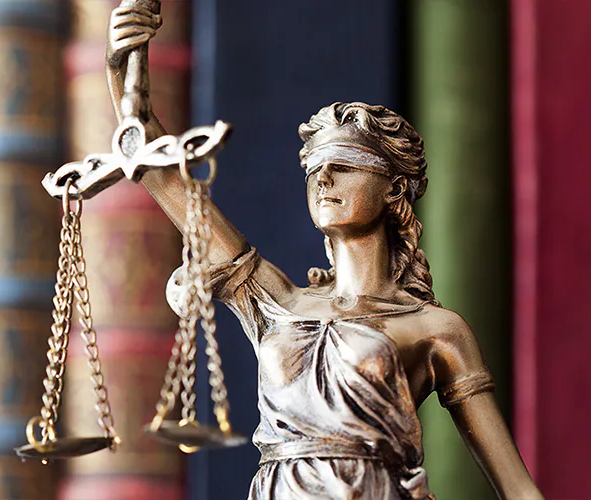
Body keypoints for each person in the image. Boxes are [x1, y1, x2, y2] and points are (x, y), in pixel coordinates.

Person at [107, 4, 543, 499]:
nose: (324, 180)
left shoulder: (435, 329)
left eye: (346, 164)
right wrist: (125, 69)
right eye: (314, 169)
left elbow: (518, 490)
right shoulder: (275, 302)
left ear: (394, 190)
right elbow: (158, 169)